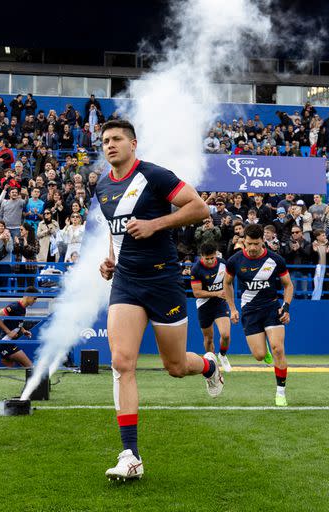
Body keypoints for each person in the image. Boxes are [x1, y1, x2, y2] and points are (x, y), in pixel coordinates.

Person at [96, 119, 221, 481]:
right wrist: (111, 262)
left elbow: (199, 209)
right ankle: (130, 455)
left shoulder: (155, 176)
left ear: (133, 143)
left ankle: (209, 367)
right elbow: (114, 229)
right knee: (121, 363)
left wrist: (155, 225)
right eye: (105, 141)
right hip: (126, 283)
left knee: (176, 366)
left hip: (163, 281)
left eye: (117, 139)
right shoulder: (103, 185)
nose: (110, 145)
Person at [224, 224, 294, 407]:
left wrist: (286, 307)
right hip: (249, 310)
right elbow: (227, 284)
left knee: (278, 348)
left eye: (256, 243)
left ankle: (280, 392)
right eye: (249, 244)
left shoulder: (275, 259)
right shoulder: (234, 261)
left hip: (272, 307)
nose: (253, 248)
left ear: (263, 240)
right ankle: (266, 352)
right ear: (243, 241)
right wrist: (232, 308)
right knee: (259, 355)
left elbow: (288, 285)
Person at [190, 243, 232, 372]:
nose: (209, 261)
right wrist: (216, 293)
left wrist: (232, 306)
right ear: (201, 256)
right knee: (208, 339)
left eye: (212, 258)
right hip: (204, 305)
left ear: (216, 254)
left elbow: (228, 284)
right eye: (206, 258)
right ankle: (212, 364)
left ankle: (223, 355)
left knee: (225, 335)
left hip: (220, 303)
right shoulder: (196, 269)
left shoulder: (222, 264)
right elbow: (196, 293)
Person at [0, 286, 38, 368]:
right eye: (35, 298)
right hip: (5, 343)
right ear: (28, 296)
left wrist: (23, 331)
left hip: (6, 343)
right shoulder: (14, 306)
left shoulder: (23, 309)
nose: (35, 301)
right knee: (30, 367)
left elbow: (17, 323)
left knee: (13, 373)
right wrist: (9, 332)